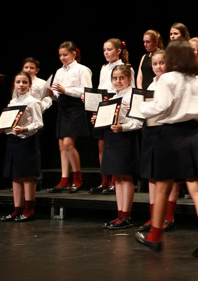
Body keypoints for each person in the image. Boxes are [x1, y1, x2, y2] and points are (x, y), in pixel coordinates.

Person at [135, 41, 198, 256]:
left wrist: (139, 108)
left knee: (162, 187)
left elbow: (160, 107)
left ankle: (154, 235)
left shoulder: (167, 79)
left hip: (171, 134)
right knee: (197, 189)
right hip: (195, 134)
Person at [92, 65, 141, 229]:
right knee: (117, 179)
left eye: (121, 78)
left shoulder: (134, 96)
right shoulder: (111, 97)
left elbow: (139, 122)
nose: (118, 81)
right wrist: (98, 120)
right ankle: (120, 214)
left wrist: (123, 127)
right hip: (112, 138)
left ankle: (126, 216)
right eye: (115, 78)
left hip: (126, 139)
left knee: (125, 177)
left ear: (129, 79)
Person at [0, 72, 43, 222]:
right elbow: (7, 124)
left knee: (27, 176)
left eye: (24, 82)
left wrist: (24, 129)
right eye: (18, 82)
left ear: (30, 85)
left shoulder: (33, 102)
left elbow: (38, 123)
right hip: (13, 141)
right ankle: (16, 209)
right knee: (15, 176)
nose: (21, 85)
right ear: (14, 84)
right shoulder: (12, 103)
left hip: (27, 140)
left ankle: (28, 210)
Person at [137, 50, 179, 232]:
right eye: (155, 64)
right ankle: (154, 216)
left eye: (162, 63)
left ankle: (168, 216)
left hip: (167, 131)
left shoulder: (172, 82)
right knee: (152, 175)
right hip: (150, 132)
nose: (158, 67)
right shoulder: (151, 84)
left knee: (170, 176)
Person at [47, 41, 91, 193]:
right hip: (63, 106)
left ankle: (78, 178)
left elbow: (86, 91)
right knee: (61, 146)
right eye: (60, 55)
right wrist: (52, 93)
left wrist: (66, 90)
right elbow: (57, 93)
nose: (62, 58)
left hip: (75, 107)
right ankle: (64, 179)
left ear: (73, 54)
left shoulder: (82, 69)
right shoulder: (59, 72)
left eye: (65, 55)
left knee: (68, 144)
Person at [90, 38, 132, 195]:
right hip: (104, 107)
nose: (106, 53)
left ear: (118, 51)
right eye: (104, 50)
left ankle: (115, 180)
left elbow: (129, 90)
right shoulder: (104, 68)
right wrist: (93, 104)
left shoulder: (125, 68)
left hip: (116, 107)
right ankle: (105, 180)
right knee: (102, 146)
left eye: (109, 50)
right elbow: (101, 89)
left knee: (113, 145)